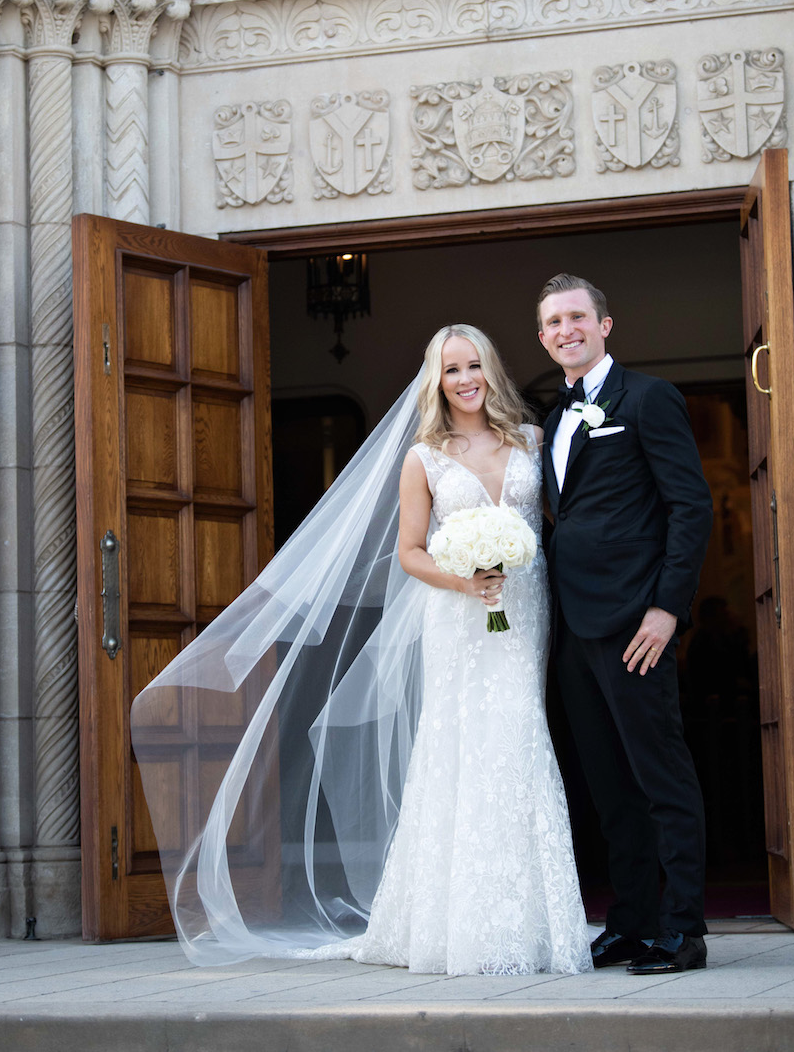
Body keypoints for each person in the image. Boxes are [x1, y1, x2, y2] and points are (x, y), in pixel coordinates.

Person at [132, 324, 591, 975]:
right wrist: (464, 578)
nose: (464, 379)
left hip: (523, 611)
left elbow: (560, 526)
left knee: (520, 739)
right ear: (436, 381)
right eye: (450, 369)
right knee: (459, 747)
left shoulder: (532, 441)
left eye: (473, 366)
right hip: (459, 616)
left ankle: (535, 923)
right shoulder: (425, 457)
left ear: (491, 369)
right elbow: (409, 551)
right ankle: (455, 927)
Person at [537, 273, 714, 974]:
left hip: (636, 623)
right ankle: (634, 921)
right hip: (573, 630)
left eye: (577, 316)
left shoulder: (647, 398)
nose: (565, 329)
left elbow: (690, 506)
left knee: (660, 775)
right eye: (552, 322)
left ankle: (684, 928)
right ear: (543, 335)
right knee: (609, 787)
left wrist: (667, 609)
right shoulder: (552, 417)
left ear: (604, 324)